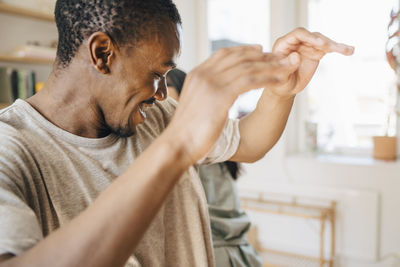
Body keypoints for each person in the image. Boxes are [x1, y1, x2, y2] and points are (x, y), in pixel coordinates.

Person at [0, 0, 354, 266]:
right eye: (157, 74)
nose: (161, 93)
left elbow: (248, 141)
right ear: (102, 53)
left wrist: (282, 88)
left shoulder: (159, 116)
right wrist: (178, 145)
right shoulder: (11, 148)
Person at [167, 68, 262, 266]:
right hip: (239, 253)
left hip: (217, 254)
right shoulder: (214, 143)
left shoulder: (197, 145)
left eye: (166, 85)